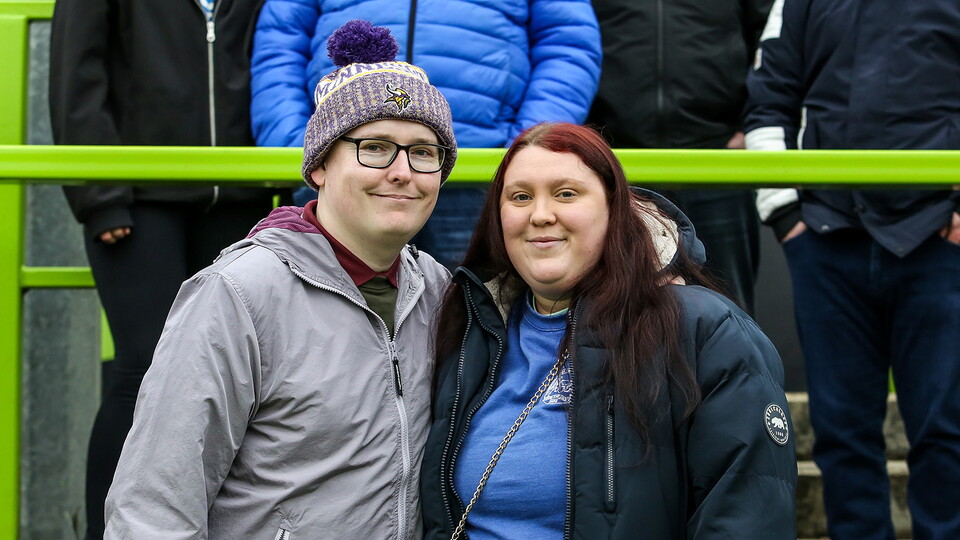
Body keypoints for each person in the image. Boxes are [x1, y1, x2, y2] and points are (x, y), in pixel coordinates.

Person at [103, 22, 454, 537]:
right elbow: (154, 506)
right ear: (319, 167)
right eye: (375, 147)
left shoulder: (437, 291)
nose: (402, 171)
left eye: (424, 152)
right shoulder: (239, 293)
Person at [420, 122, 797, 539]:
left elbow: (745, 516)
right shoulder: (468, 325)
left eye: (566, 194)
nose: (540, 215)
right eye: (520, 197)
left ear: (615, 211)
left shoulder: (705, 331)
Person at [47, 0, 282, 537]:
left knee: (233, 379)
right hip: (139, 198)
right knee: (143, 369)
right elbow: (76, 75)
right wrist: (101, 194)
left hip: (239, 198)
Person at [744, 1, 960, 538]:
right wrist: (787, 215)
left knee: (948, 429)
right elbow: (768, 102)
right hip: (825, 238)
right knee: (841, 432)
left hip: (938, 242)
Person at [250, 0, 602, 268]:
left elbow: (568, 43)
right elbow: (279, 45)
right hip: (349, 160)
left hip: (483, 169)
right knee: (315, 300)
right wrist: (306, 146)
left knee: (470, 310)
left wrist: (522, 152)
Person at [586, 0, 773, 313]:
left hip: (718, 159)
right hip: (618, 161)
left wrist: (750, 122)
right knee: (615, 307)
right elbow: (567, 40)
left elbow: (772, 42)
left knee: (728, 305)